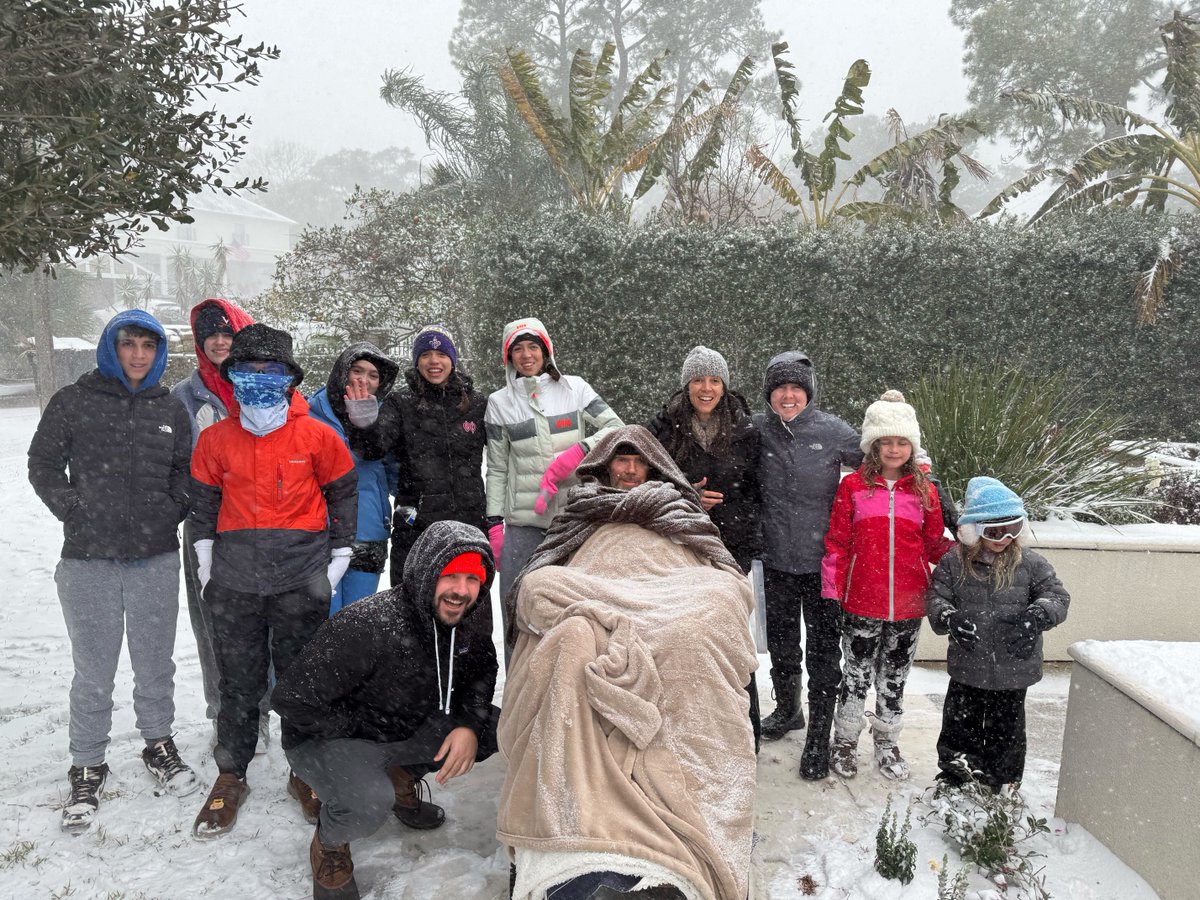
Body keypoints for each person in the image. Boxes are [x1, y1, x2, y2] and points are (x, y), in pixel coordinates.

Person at [499, 425, 757, 900]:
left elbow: (719, 564)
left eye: (639, 461)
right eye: (622, 459)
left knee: (716, 604)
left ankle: (691, 785)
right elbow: (542, 570)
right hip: (595, 590)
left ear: (655, 469)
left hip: (673, 593)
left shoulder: (677, 508)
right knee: (541, 592)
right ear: (605, 466)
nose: (630, 469)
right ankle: (578, 816)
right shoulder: (582, 510)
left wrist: (715, 585)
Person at [28, 309, 198, 831]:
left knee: (155, 662)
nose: (139, 355)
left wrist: (171, 509)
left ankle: (158, 743)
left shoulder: (170, 407)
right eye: (129, 344)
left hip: (155, 557)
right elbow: (42, 464)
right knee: (93, 669)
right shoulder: (73, 401)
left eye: (149, 346)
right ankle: (87, 763)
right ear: (112, 348)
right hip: (88, 559)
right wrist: (73, 509)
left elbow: (186, 471)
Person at [188, 323, 358, 838]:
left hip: (300, 580)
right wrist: (206, 566)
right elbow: (202, 508)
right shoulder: (214, 440)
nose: (260, 377)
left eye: (271, 369)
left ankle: (304, 771)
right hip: (235, 583)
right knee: (238, 683)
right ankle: (230, 773)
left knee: (301, 681)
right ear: (232, 376)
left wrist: (337, 562)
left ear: (289, 377)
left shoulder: (319, 436)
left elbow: (343, 495)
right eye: (249, 368)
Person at [273, 520, 499, 900]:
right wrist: (362, 725)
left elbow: (481, 672)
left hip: (401, 723)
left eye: (472, 579)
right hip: (331, 737)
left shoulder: (468, 619)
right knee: (367, 802)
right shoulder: (368, 624)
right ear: (427, 574)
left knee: (494, 727)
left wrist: (468, 726)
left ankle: (400, 778)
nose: (461, 591)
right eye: (450, 576)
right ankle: (330, 843)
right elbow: (291, 699)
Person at [821, 390, 954, 781]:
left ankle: (887, 742)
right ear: (873, 446)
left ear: (912, 447)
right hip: (861, 600)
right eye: (886, 441)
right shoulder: (852, 488)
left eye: (902, 442)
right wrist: (831, 592)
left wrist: (969, 549)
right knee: (856, 676)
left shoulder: (925, 491)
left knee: (894, 678)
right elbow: (837, 543)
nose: (894, 449)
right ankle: (845, 740)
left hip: (910, 604)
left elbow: (934, 544)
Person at [753, 351, 864, 765]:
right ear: (769, 394)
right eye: (780, 388)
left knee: (823, 652)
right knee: (782, 646)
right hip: (775, 561)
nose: (788, 395)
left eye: (796, 388)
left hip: (824, 564)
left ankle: (818, 734)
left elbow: (885, 463)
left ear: (809, 393)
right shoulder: (756, 430)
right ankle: (788, 710)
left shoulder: (833, 431)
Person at [484, 317, 623, 646]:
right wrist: (494, 522)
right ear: (508, 357)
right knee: (517, 610)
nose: (526, 355)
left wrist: (580, 450)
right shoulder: (499, 403)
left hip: (574, 518)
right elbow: (498, 468)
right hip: (525, 524)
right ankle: (519, 676)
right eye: (518, 349)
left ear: (546, 351)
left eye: (533, 347)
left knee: (578, 611)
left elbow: (616, 428)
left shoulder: (575, 389)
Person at [927, 476, 1069, 792]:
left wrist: (1037, 616)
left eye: (1012, 529)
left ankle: (1003, 781)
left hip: (1014, 668)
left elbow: (1057, 596)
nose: (1004, 539)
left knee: (1007, 729)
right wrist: (949, 618)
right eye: (994, 531)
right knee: (960, 724)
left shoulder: (1031, 563)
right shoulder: (954, 563)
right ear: (974, 530)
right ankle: (956, 776)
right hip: (968, 664)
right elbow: (936, 597)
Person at [171, 298, 267, 747]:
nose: (219, 341)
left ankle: (260, 712)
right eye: (210, 334)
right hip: (206, 527)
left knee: (261, 623)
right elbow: (172, 463)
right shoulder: (183, 398)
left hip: (260, 526)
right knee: (213, 624)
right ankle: (224, 712)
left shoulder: (264, 387)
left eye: (228, 333)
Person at [343, 325, 489, 586]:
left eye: (441, 354)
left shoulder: (476, 404)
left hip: (468, 523)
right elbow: (371, 450)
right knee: (411, 602)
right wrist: (362, 423)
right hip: (416, 525)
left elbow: (505, 455)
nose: (434, 361)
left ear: (452, 360)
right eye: (426, 355)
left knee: (469, 601)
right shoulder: (401, 403)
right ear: (416, 361)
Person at [647, 345, 761, 571]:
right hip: (677, 544)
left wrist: (750, 545)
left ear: (724, 387)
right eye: (698, 380)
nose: (706, 388)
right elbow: (648, 482)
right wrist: (686, 495)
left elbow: (755, 493)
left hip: (732, 547)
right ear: (687, 386)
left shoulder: (745, 431)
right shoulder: (662, 428)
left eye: (715, 381)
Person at [307, 342, 400, 612]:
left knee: (358, 619)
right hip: (321, 532)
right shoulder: (312, 413)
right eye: (357, 370)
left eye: (373, 375)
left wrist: (371, 431)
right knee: (323, 617)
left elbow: (397, 477)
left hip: (369, 530)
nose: (364, 380)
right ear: (342, 371)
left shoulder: (387, 417)